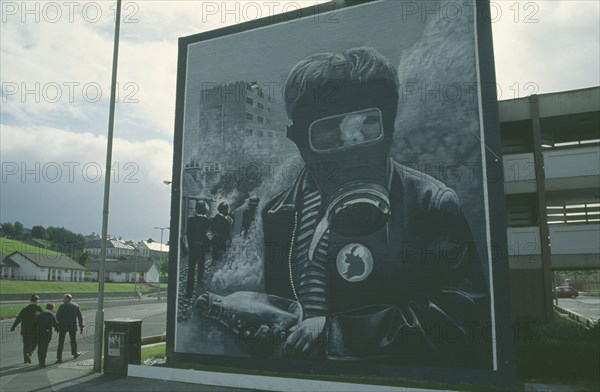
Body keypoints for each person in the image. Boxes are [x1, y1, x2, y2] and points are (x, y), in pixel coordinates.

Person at [257, 47, 491, 367]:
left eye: (368, 122)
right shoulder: (278, 213)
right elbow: (280, 310)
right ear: (297, 138)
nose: (351, 139)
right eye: (329, 127)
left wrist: (338, 335)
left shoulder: (429, 203)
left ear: (390, 125)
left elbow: (462, 319)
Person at [186, 200, 212, 298]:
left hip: (193, 248)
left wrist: (190, 246)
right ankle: (199, 292)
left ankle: (188, 293)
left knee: (191, 270)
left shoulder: (191, 220)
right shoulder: (208, 221)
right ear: (204, 210)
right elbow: (209, 237)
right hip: (202, 248)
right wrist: (208, 247)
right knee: (201, 270)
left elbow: (188, 235)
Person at [10, 294, 42, 364]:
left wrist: (13, 327)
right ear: (37, 300)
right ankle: (29, 353)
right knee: (35, 342)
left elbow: (19, 318)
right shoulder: (38, 308)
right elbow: (42, 318)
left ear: (30, 300)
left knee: (26, 343)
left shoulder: (25, 309)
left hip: (24, 329)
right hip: (34, 328)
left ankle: (25, 359)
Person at [56, 294, 83, 363]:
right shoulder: (76, 306)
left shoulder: (62, 306)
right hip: (72, 325)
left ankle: (59, 358)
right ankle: (75, 353)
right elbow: (80, 317)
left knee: (61, 342)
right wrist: (81, 326)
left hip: (63, 326)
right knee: (73, 340)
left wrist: (57, 326)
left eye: (64, 298)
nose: (63, 299)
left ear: (67, 299)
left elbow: (58, 316)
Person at [35, 303, 59, 368]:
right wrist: (58, 329)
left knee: (40, 347)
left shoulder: (41, 314)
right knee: (44, 347)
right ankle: (42, 363)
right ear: (52, 308)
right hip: (47, 333)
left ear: (46, 307)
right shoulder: (52, 315)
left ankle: (40, 362)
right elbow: (55, 325)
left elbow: (36, 322)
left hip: (39, 332)